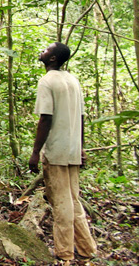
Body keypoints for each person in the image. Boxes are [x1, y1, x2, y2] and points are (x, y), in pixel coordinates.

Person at [28, 42, 97, 262]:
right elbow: (81, 117)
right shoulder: (73, 80)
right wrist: (81, 146)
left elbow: (45, 118)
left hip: (57, 151)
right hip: (73, 150)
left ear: (52, 59)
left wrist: (36, 152)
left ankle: (64, 252)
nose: (42, 50)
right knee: (73, 200)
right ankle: (87, 249)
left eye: (46, 50)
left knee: (61, 202)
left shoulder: (47, 81)